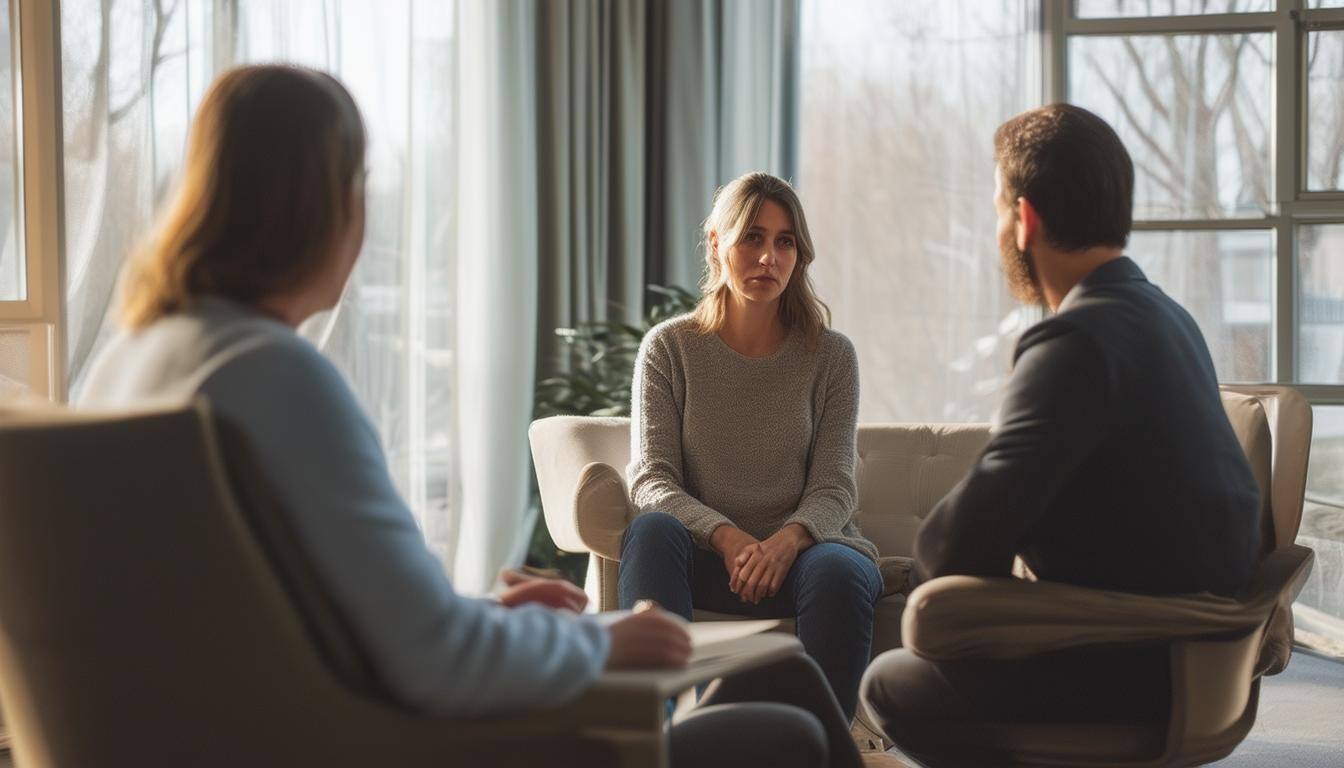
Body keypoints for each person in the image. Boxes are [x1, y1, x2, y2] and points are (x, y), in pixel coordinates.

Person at [79, 65, 861, 768]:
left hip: (248, 725)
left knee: (787, 673)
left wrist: (480, 611)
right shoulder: (277, 379)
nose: (363, 216)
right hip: (379, 739)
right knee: (789, 729)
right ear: (316, 207)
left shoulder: (132, 365)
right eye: (358, 184)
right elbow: (432, 661)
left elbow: (348, 612)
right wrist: (593, 640)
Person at [860, 103, 1263, 766]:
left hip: (1131, 663)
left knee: (892, 680)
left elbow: (954, 547)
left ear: (1026, 219)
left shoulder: (1075, 340)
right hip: (1207, 661)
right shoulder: (1167, 318)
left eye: (998, 208)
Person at [619, 171, 883, 723]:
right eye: (752, 237)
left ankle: (819, 747)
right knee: (650, 530)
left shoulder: (832, 356)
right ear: (717, 245)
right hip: (706, 558)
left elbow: (835, 485)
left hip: (805, 559)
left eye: (784, 241)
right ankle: (654, 737)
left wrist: (786, 542)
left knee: (838, 570)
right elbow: (652, 480)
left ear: (799, 254)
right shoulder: (669, 348)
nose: (769, 257)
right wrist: (728, 536)